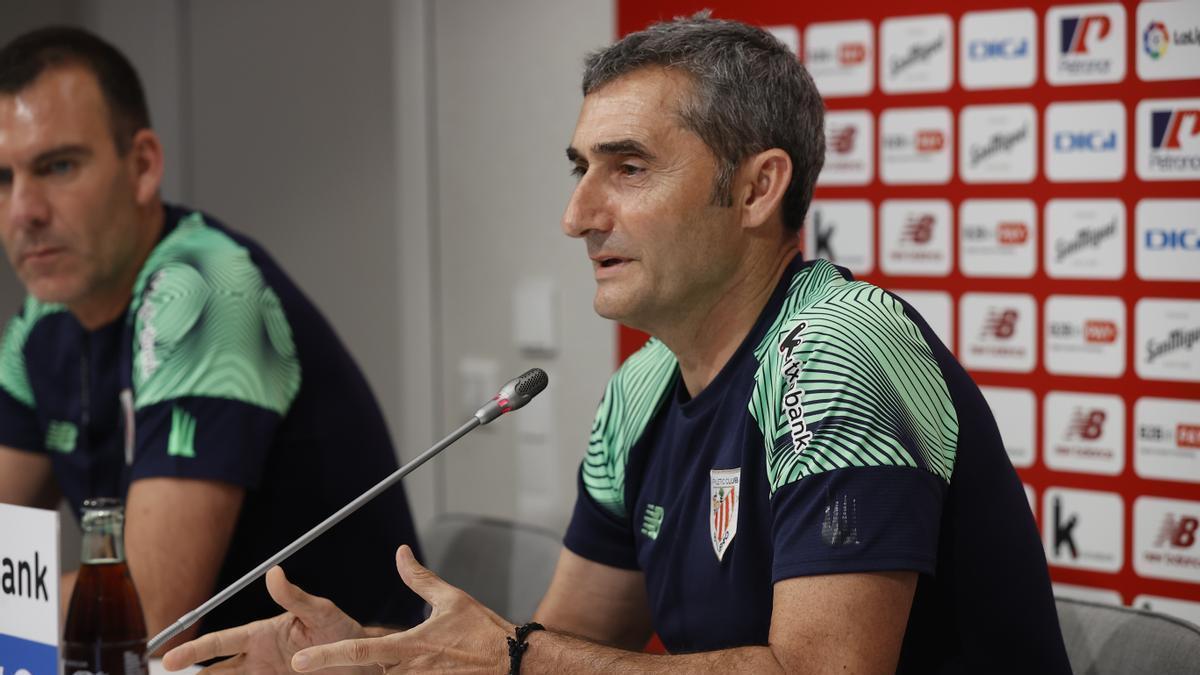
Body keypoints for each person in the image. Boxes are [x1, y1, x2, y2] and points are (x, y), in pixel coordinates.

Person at [165, 13, 1071, 674]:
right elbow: (565, 647)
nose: (577, 216)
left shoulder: (836, 348)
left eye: (628, 168)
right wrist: (377, 655)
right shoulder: (640, 390)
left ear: (758, 189)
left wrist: (514, 658)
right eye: (580, 169)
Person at [0, 26, 426, 650]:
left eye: (58, 166)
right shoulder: (43, 314)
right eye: (3, 179)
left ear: (142, 165)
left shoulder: (204, 291)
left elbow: (148, 618)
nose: (23, 211)